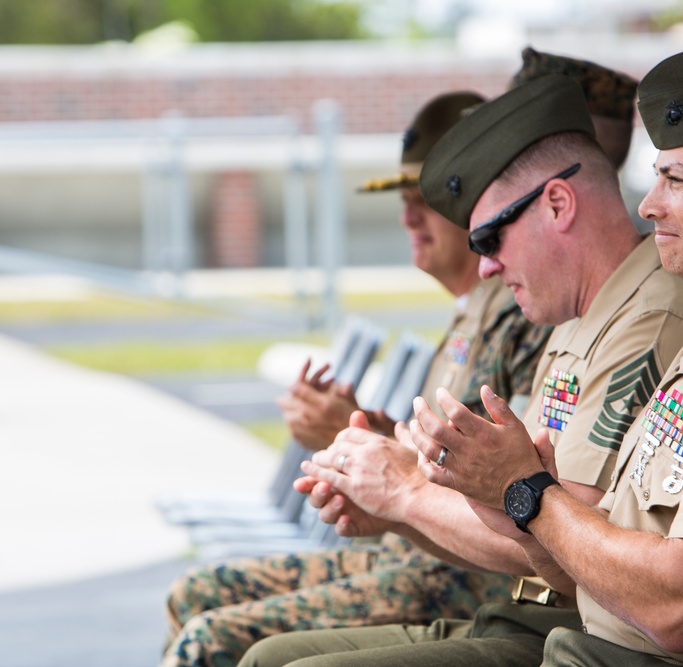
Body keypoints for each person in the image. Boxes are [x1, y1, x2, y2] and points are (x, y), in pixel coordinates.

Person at [241, 38, 683, 667]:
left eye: (676, 179)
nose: (648, 203)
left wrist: (520, 492)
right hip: (582, 639)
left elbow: (681, 605)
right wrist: (448, 498)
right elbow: (588, 545)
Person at [239, 70, 683, 667]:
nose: (484, 268)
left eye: (489, 236)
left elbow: (561, 536)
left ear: (559, 204)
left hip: (577, 637)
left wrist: (406, 491)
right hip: (530, 616)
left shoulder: (654, 317)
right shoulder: (577, 315)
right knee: (265, 658)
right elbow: (526, 523)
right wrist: (396, 509)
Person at [161, 91, 553, 667]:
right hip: (423, 550)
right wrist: (362, 430)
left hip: (473, 576)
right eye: (401, 200)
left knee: (213, 639)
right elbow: (442, 455)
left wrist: (376, 447)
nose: (407, 218)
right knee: (192, 597)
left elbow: (512, 481)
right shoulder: (475, 310)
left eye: (426, 198)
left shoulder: (527, 313)